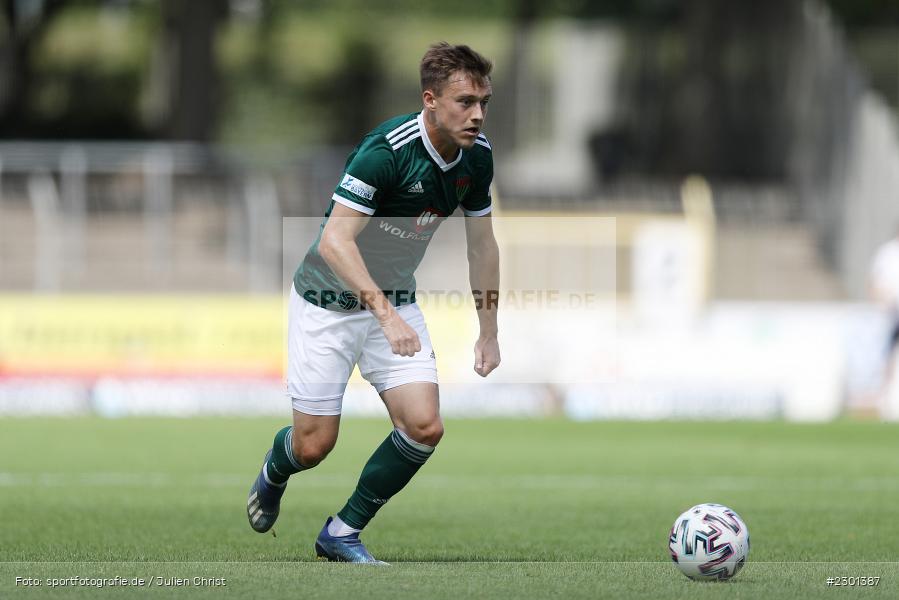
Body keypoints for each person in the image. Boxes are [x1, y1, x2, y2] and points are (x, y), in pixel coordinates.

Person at [246, 42, 500, 563]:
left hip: (394, 302)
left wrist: (489, 330)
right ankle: (277, 465)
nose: (476, 114)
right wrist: (384, 316)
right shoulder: (386, 151)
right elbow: (333, 243)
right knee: (314, 446)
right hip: (327, 302)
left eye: (483, 102)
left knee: (425, 426)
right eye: (464, 101)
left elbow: (483, 245)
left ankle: (341, 532)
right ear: (430, 100)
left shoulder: (479, 159)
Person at [870, 227, 899, 415]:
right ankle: (884, 400)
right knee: (887, 357)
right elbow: (876, 283)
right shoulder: (888, 252)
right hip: (891, 313)